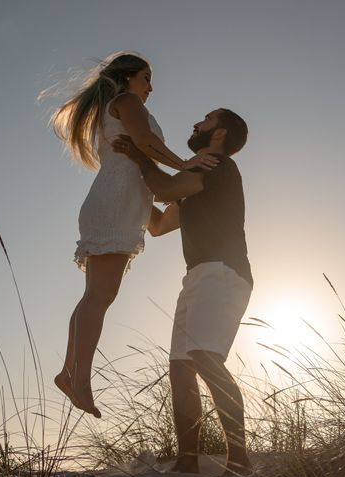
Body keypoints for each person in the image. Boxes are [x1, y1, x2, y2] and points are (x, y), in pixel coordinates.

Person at [50, 52, 218, 418]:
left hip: (123, 204)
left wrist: (194, 202)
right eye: (146, 77)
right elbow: (144, 141)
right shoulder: (125, 101)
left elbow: (156, 226)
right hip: (114, 202)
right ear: (127, 78)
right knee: (99, 296)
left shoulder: (119, 104)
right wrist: (184, 164)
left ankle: (70, 372)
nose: (151, 87)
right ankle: (77, 377)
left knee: (97, 295)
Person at [112, 108, 253, 476]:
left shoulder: (217, 165)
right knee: (180, 368)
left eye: (205, 120)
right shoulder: (198, 174)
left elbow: (166, 188)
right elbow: (158, 225)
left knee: (206, 359)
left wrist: (140, 158)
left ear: (219, 133)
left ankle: (240, 462)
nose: (195, 124)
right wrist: (129, 180)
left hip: (222, 272)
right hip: (196, 277)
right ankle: (187, 461)